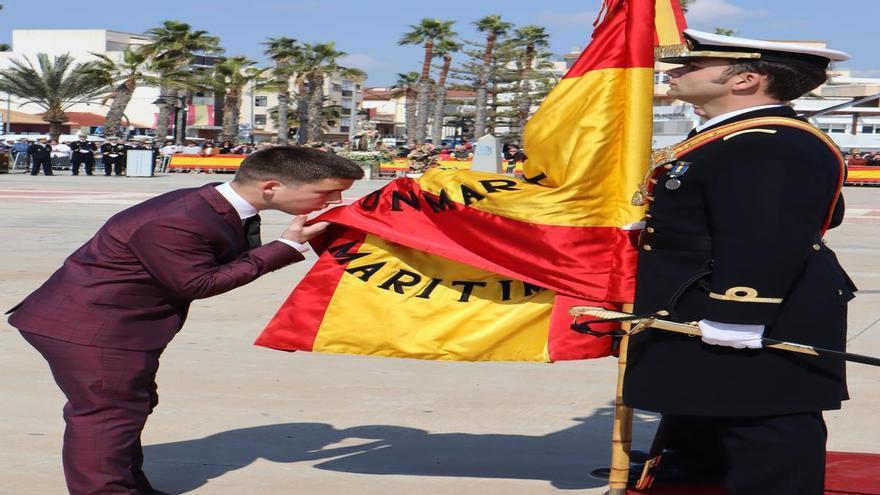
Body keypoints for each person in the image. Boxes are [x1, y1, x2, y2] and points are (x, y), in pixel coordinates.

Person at [7, 146, 365, 495]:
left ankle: (126, 485)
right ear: (271, 186)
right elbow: (198, 283)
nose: (332, 202)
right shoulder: (179, 218)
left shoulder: (215, 205)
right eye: (326, 193)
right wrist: (285, 247)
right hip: (92, 327)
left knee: (128, 407)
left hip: (115, 323)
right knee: (107, 414)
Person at [622, 30, 855, 495]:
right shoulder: (730, 136)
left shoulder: (770, 141)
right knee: (705, 401)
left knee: (763, 418)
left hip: (754, 304)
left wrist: (739, 312)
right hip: (698, 296)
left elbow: (767, 236)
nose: (674, 71)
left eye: (691, 66)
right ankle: (692, 474)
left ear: (746, 79)